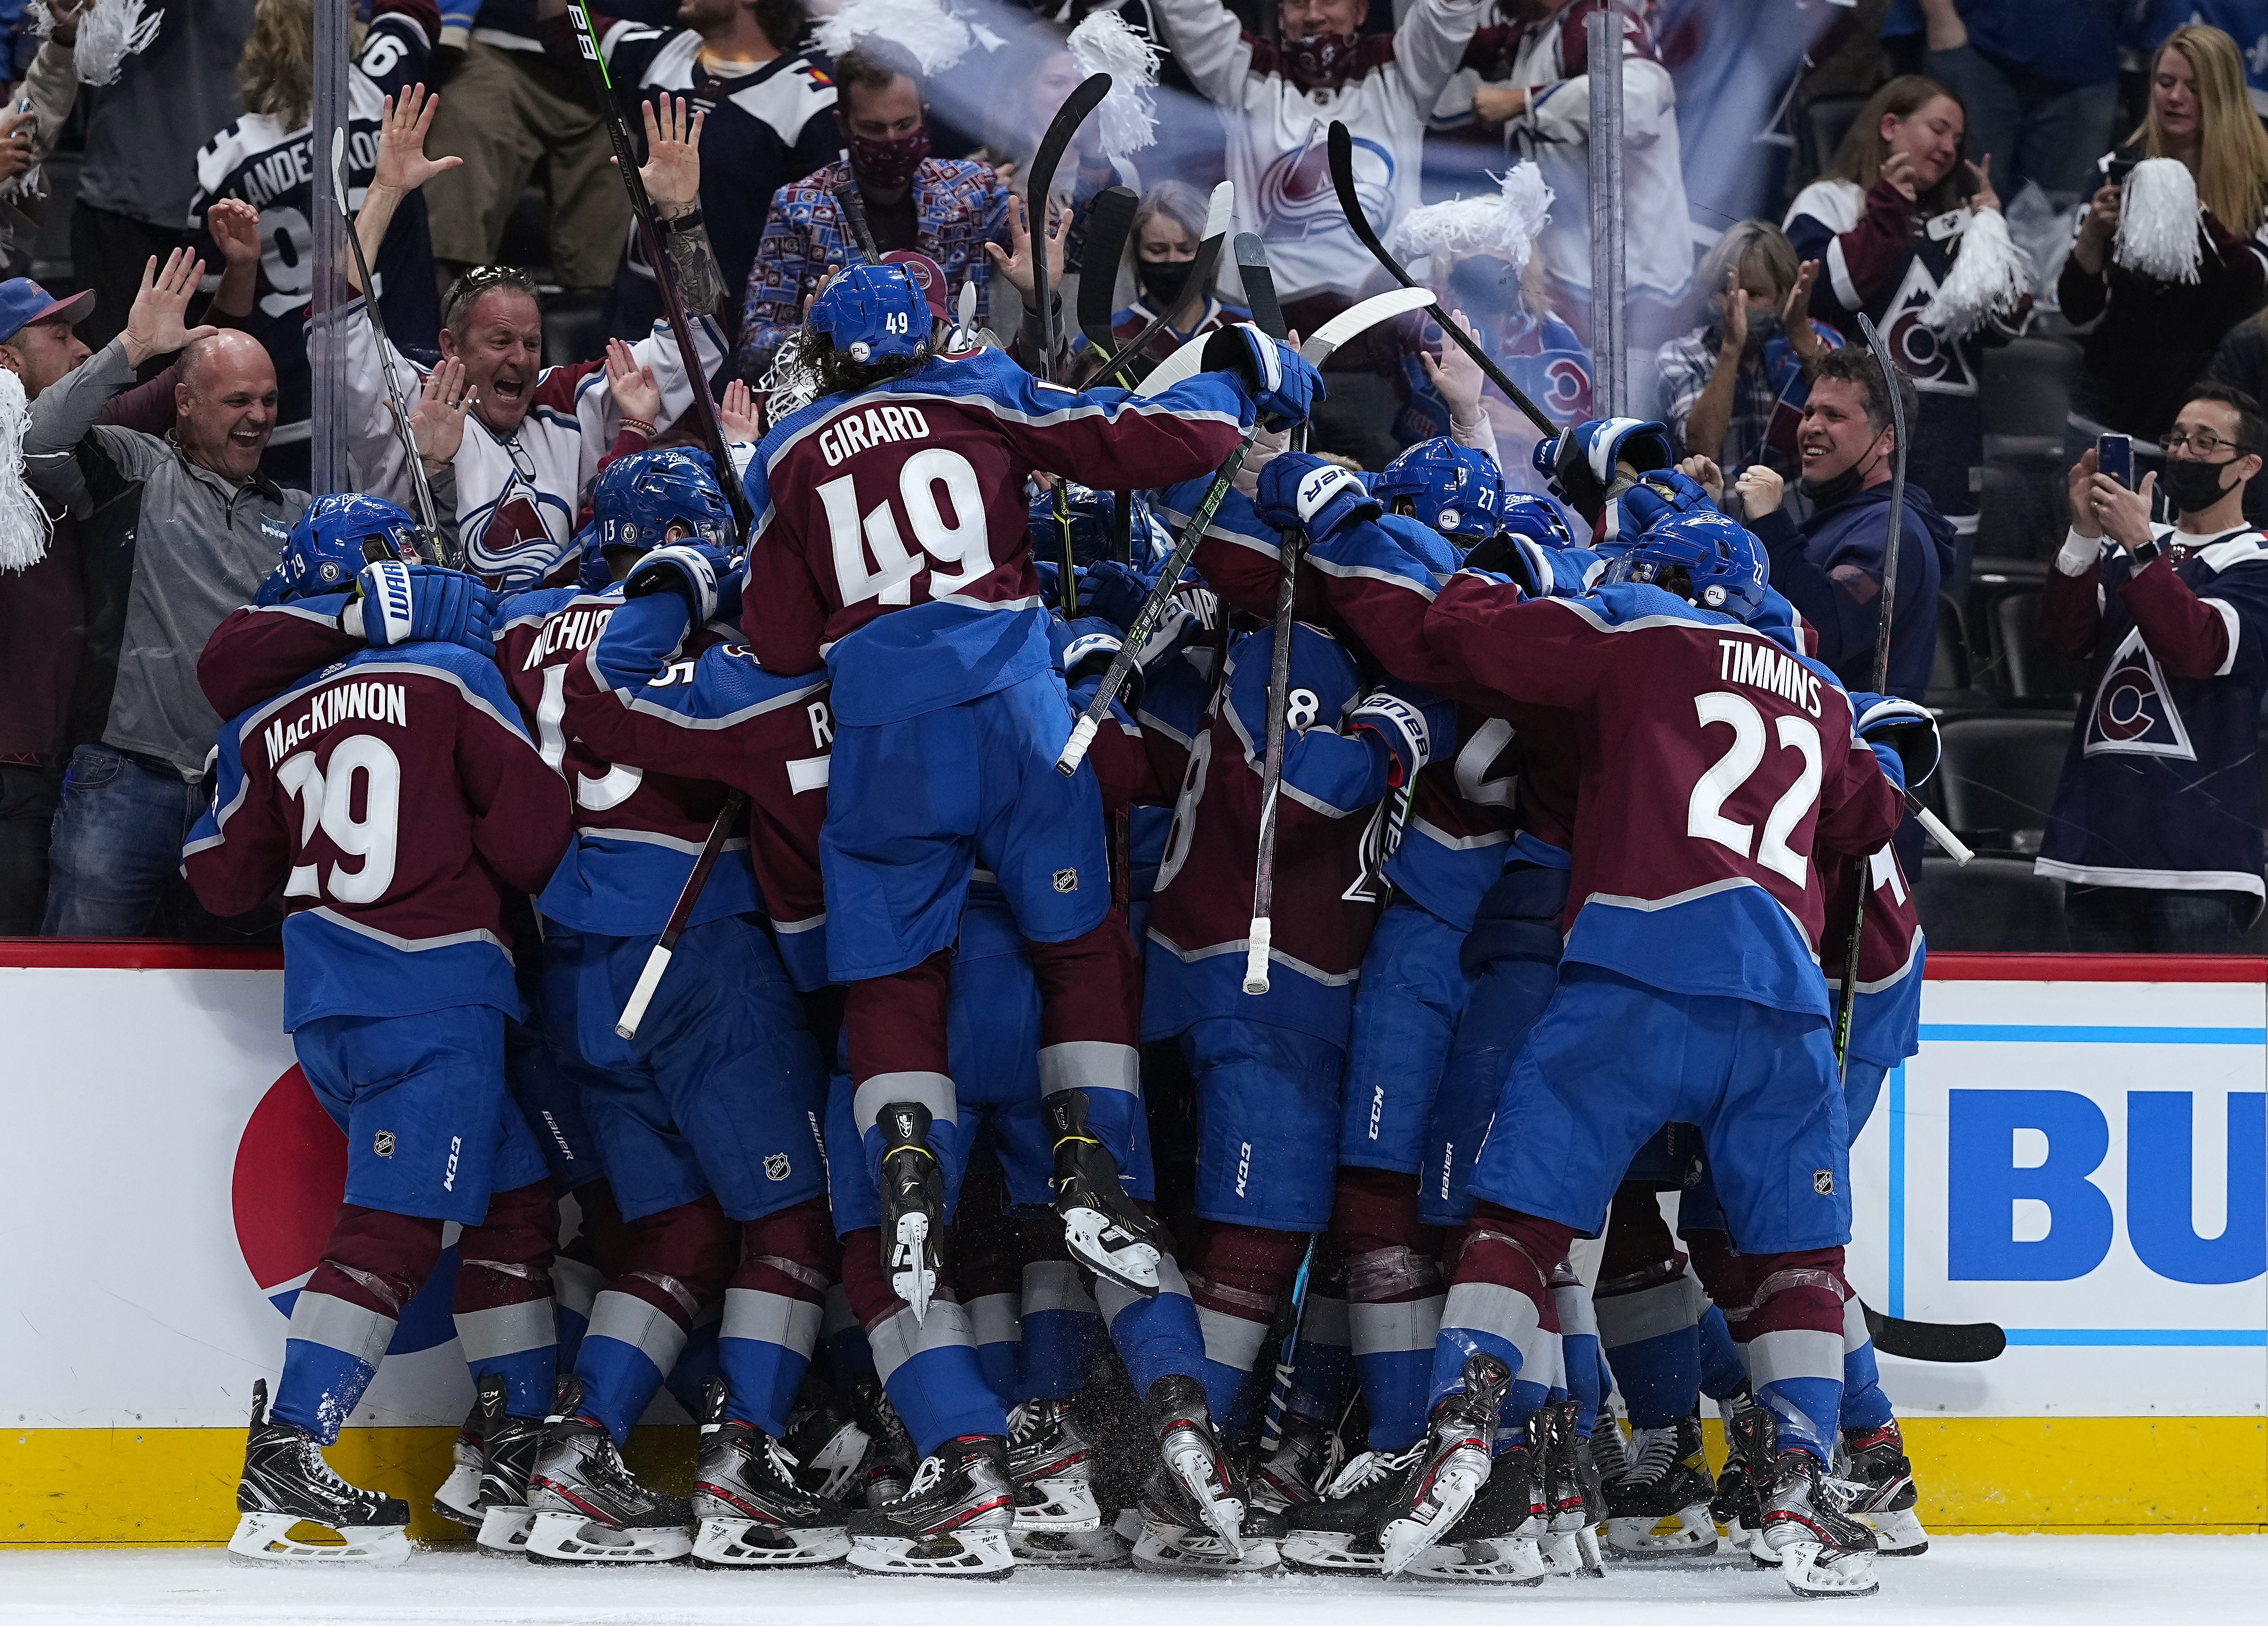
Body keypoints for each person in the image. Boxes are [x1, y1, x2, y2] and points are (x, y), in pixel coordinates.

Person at [737, 262, 1318, 1572]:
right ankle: (1095, 1157)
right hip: (1019, 718)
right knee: (1076, 949)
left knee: (888, 990)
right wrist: (1239, 383)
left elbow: (778, 647)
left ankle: (903, 1168)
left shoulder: (789, 450)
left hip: (885, 738)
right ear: (933, 333)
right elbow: (1133, 446)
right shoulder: (979, 386)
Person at [1249, 472, 1914, 1598]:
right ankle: (1803, 1475)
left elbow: (1462, 643)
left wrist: (1461, 575)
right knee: (1798, 1259)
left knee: (1516, 1220)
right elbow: (1867, 812)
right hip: (1784, 1007)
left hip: (1632, 970)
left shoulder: (1636, 646)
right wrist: (1887, 758)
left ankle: (1459, 1426)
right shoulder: (1818, 694)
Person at [183, 496, 571, 1567]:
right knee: (393, 1233)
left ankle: (513, 1444)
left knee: (516, 1193)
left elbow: (215, 878)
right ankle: (290, 1454)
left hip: (327, 1007)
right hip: (434, 993)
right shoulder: (450, 675)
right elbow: (537, 839)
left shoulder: (263, 718)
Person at [24, 250, 310, 938]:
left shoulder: (303, 517)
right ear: (184, 402)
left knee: (231, 1010)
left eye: (268, 401)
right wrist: (130, 348)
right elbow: (37, 440)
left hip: (242, 795)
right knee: (81, 995)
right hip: (124, 781)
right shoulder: (135, 468)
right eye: (237, 401)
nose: (258, 418)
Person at [343, 84, 729, 590]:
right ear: (450, 347)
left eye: (531, 342)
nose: (521, 359)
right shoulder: (413, 398)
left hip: (550, 635)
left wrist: (682, 215)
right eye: (501, 341)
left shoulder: (565, 400)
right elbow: (336, 328)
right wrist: (385, 193)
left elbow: (696, 341)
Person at [1147, 0, 1488, 465]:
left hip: (1377, 350)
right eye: (1296, 3)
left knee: (1383, 498)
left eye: (1327, 0)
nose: (1312, 15)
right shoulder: (1244, 70)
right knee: (1265, 502)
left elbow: (1452, 10)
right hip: (1265, 346)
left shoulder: (1403, 68)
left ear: (1362, 9)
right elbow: (1185, 10)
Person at [2035, 385, 2268, 952]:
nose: (2184, 453)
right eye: (2178, 439)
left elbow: (2200, 647)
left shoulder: (2256, 559)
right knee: (2092, 1037)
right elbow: (2063, 644)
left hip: (2199, 858)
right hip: (2096, 847)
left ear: (2247, 466)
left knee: (2190, 1039)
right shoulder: (2126, 547)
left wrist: (2140, 548)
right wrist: (2084, 536)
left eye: (2206, 442)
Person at [187, 0, 445, 490]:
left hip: (285, 397)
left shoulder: (225, 159)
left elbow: (215, 319)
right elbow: (414, 12)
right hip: (402, 382)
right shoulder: (383, 95)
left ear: (258, 43)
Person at [1786, 74, 2025, 549]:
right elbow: (1828, 295)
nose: (1948, 148)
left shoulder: (1958, 225)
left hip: (1948, 454)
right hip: (1855, 453)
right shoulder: (1830, 201)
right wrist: (1887, 210)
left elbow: (2003, 327)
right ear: (1890, 125)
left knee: (1938, 616)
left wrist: (1991, 235)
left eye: (1957, 140)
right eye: (1937, 130)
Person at [535, 0, 841, 342]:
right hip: (632, 324)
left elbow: (827, 239)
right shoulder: (661, 49)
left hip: (730, 339)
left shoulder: (812, 100)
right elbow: (565, 28)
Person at [734, 40, 1010, 379]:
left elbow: (1068, 250)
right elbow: (754, 344)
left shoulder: (972, 191)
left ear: (924, 116)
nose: (891, 140)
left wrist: (1085, 165)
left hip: (958, 393)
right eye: (873, 128)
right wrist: (829, 334)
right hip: (845, 404)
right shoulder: (798, 208)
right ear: (843, 125)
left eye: (904, 125)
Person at [2060, 24, 2268, 461]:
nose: (2175, 98)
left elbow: (2253, 287)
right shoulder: (2118, 169)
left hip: (2208, 424)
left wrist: (2194, 211)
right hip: (2108, 413)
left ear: (2224, 93)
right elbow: (2078, 309)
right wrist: (2092, 237)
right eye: (2165, 82)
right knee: (2096, 530)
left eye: (2194, 87)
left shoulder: (2260, 181)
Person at [1438, 0, 1693, 352]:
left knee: (1632, 403)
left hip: (1637, 287)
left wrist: (1526, 102)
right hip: (1577, 280)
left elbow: (1641, 96)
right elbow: (1461, 43)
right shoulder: (1540, 30)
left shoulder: (1593, 20)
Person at [1738, 347, 1955, 707]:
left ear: (1887, 440)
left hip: (1860, 755)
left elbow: (1825, 636)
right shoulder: (1847, 519)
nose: (1811, 427)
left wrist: (1772, 526)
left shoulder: (1892, 529)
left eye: (1834, 415)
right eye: (1808, 413)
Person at [69, 0, 256, 351]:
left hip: (238, 208)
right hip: (130, 208)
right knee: (120, 390)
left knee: (227, 382)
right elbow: (65, 41)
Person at [418, 0, 633, 300]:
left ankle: (597, 315)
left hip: (611, 61)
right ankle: (447, 301)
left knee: (626, 152)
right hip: (501, 45)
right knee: (467, 124)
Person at [1656, 219, 1841, 477]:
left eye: (1753, 294)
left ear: (1782, 296)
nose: (1738, 303)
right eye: (1726, 291)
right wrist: (1731, 350)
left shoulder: (1806, 344)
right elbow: (1703, 448)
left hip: (1790, 514)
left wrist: (1800, 335)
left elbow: (1847, 412)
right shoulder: (1680, 354)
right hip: (1715, 514)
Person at [1906, 0, 2119, 203]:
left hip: (2090, 62)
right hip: (1977, 48)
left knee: (2059, 213)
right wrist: (1941, 17)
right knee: (1962, 196)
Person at [1075, 180, 1251, 375]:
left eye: (1186, 250)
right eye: (1157, 250)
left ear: (1210, 252)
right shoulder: (1104, 341)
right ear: (1136, 252)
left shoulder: (1246, 329)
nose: (1172, 260)